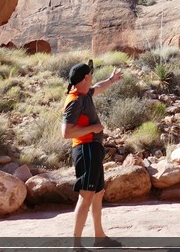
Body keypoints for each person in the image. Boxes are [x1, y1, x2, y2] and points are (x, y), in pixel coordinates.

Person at [62, 59, 122, 249]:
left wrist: (111, 80)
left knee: (98, 193)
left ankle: (100, 237)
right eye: (91, 74)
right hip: (85, 149)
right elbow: (66, 132)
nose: (92, 77)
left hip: (93, 149)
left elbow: (98, 87)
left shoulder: (84, 93)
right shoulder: (75, 100)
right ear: (86, 77)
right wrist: (93, 128)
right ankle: (76, 245)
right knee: (86, 195)